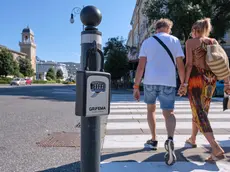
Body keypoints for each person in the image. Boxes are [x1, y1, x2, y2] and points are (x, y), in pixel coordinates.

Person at [133, 18, 185, 165]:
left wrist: (136, 86)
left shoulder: (147, 42)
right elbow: (180, 65)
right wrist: (183, 83)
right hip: (168, 82)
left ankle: (154, 140)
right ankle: (170, 139)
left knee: (151, 110)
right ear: (168, 28)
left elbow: (141, 67)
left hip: (150, 81)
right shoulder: (174, 40)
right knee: (169, 113)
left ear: (156, 28)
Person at [178, 18, 230, 162]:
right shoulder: (213, 41)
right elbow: (223, 62)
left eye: (192, 31)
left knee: (198, 110)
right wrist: (227, 82)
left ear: (195, 30)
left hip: (196, 79)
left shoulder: (191, 42)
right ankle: (193, 138)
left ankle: (215, 147)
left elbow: (189, 65)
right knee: (202, 110)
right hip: (211, 79)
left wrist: (184, 83)